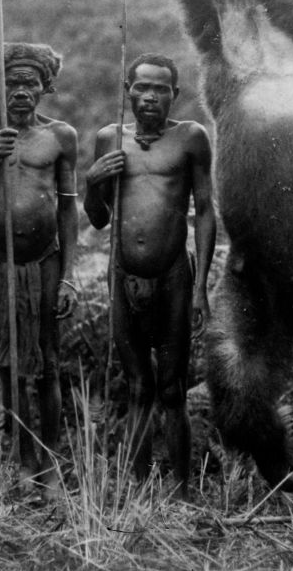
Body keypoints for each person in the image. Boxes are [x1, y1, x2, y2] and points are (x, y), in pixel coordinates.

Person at [84, 52, 217, 494]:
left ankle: (183, 493)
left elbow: (205, 213)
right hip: (124, 278)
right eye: (141, 87)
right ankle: (138, 490)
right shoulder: (109, 139)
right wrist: (94, 181)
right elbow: (98, 219)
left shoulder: (191, 139)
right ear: (128, 92)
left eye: (160, 88)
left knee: (173, 390)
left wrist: (201, 289)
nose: (150, 96)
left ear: (174, 95)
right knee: (138, 387)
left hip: (175, 278)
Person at [0, 42, 78, 496]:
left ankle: (48, 463)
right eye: (12, 82)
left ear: (45, 87)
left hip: (44, 263)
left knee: (46, 364)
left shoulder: (60, 137)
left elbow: (68, 212)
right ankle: (20, 460)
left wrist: (67, 275)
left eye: (31, 83)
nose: (22, 91)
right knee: (6, 366)